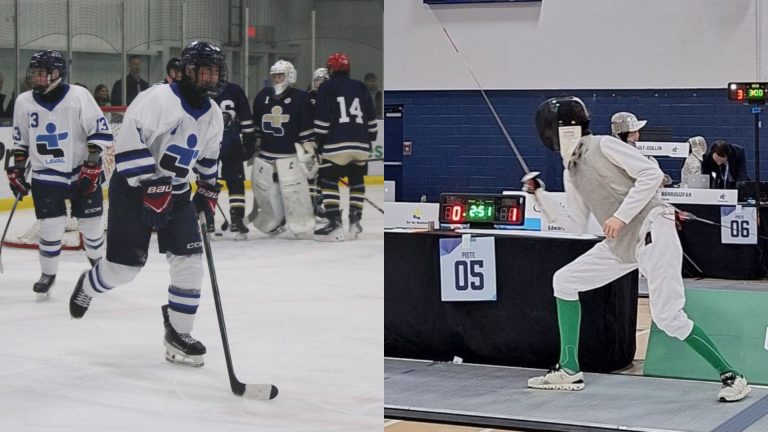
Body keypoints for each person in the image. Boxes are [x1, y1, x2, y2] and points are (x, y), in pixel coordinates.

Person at [523, 96, 750, 402]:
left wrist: (620, 215)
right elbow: (575, 224)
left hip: (653, 229)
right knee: (564, 281)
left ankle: (732, 377)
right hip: (621, 245)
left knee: (669, 317)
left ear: (562, 129)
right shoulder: (571, 170)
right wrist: (541, 197)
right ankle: (569, 369)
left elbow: (651, 175)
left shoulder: (604, 145)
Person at [68, 41, 226, 368]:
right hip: (133, 190)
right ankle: (89, 284)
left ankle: (178, 334)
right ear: (187, 70)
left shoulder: (214, 114)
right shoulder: (157, 99)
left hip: (178, 193)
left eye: (215, 71)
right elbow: (127, 141)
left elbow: (209, 157)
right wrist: (149, 183)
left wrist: (208, 190)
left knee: (190, 260)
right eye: (205, 70)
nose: (211, 77)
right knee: (123, 271)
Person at [7, 50, 112, 300]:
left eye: (43, 74)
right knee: (50, 227)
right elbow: (20, 141)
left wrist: (92, 164)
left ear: (57, 74)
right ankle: (48, 274)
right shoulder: (23, 101)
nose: (38, 78)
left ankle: (99, 268)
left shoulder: (78, 95)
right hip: (46, 175)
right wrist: (16, 169)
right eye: (35, 74)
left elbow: (99, 132)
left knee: (92, 226)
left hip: (81, 173)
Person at [314, 53, 378, 241]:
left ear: (332, 70)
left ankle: (334, 221)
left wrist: (320, 141)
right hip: (360, 144)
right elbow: (371, 116)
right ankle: (355, 220)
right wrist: (369, 138)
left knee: (328, 181)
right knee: (357, 181)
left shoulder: (327, 86)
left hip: (336, 143)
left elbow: (323, 118)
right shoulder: (360, 86)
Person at [249, 59, 316, 237]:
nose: (276, 79)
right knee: (266, 192)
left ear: (290, 75)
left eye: (280, 75)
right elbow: (256, 127)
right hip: (266, 155)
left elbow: (306, 130)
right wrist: (253, 146)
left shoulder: (301, 98)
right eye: (274, 76)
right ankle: (274, 222)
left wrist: (309, 150)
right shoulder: (263, 95)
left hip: (290, 156)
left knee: (293, 191)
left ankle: (301, 222)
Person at [211, 81, 257, 238]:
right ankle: (235, 220)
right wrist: (249, 141)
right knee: (234, 182)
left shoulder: (204, 89)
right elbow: (246, 117)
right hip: (231, 141)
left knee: (209, 181)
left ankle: (210, 221)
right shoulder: (234, 89)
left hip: (213, 143)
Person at [610, 111, 671, 186]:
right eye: (634, 132)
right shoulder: (610, 154)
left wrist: (661, 178)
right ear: (623, 135)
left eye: (636, 132)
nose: (637, 135)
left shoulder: (644, 156)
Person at [307, 67, 329, 216]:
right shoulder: (308, 97)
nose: (317, 83)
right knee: (311, 174)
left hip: (327, 142)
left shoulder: (332, 97)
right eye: (316, 80)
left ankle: (318, 201)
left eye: (320, 80)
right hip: (310, 142)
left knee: (325, 175)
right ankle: (311, 203)